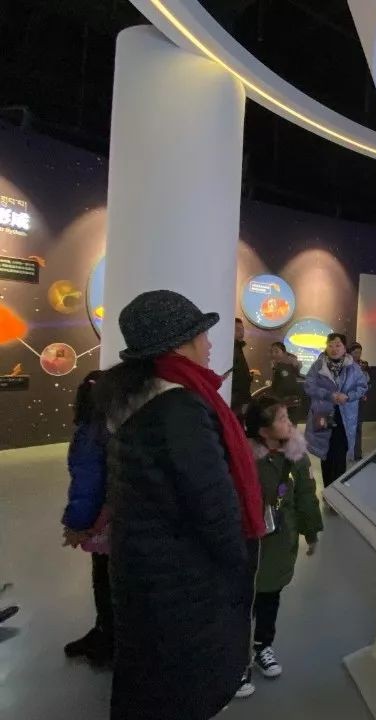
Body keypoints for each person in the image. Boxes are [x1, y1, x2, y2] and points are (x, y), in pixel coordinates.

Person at [93, 290, 265, 720]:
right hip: (183, 576)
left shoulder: (138, 396)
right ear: (178, 343)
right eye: (201, 334)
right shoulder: (180, 406)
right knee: (180, 687)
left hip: (146, 566)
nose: (208, 344)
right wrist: (238, 562)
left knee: (148, 678)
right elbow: (211, 503)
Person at [240, 396, 322, 696]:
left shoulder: (296, 457)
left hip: (279, 542)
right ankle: (236, 662)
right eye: (282, 419)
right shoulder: (245, 459)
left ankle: (263, 646)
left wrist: (311, 532)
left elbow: (306, 497)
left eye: (288, 417)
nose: (290, 424)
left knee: (270, 596)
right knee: (242, 603)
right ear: (263, 431)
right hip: (248, 543)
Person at [61, 369, 113, 667]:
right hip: (121, 515)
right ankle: (106, 633)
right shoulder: (119, 424)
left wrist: (77, 525)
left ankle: (107, 640)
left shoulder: (91, 431)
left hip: (102, 521)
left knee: (104, 580)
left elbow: (87, 483)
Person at [304, 333, 368, 493]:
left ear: (345, 348)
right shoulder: (318, 365)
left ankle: (336, 491)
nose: (334, 349)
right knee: (325, 452)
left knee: (341, 452)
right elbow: (309, 386)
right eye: (330, 345)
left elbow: (362, 386)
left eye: (338, 345)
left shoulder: (353, 367)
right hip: (323, 414)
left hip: (345, 417)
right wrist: (329, 395)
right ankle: (327, 490)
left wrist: (348, 396)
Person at [269, 342, 303, 424]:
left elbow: (287, 385)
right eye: (272, 352)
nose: (273, 354)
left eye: (276, 351)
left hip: (286, 402)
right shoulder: (278, 366)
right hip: (286, 402)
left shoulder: (286, 365)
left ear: (284, 352)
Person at [349, 342, 370, 460]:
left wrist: (364, 392)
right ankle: (348, 452)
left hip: (359, 401)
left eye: (359, 352)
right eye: (355, 352)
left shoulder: (363, 365)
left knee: (358, 428)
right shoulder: (345, 364)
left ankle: (357, 453)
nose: (357, 355)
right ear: (350, 352)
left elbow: (367, 382)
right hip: (347, 401)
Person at [231, 318, 253, 420]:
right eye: (237, 329)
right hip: (235, 400)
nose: (241, 332)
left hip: (239, 399)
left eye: (242, 329)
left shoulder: (238, 347)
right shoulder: (232, 348)